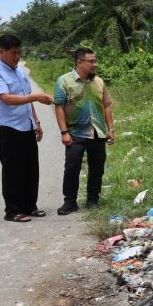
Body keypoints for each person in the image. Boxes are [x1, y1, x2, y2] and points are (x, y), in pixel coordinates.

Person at [0, 34, 53, 222]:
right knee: (13, 171)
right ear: (1, 51)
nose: (17, 56)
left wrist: (36, 122)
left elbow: (26, 98)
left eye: (19, 52)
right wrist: (37, 97)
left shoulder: (20, 71)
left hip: (26, 125)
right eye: (13, 53)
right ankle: (13, 210)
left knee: (31, 168)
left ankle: (30, 206)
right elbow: (6, 98)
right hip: (7, 128)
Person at [53, 47, 114, 214]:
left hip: (97, 132)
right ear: (79, 62)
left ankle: (93, 200)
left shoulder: (99, 82)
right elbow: (59, 107)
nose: (95, 64)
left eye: (95, 61)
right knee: (72, 167)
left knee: (97, 168)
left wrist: (110, 129)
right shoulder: (64, 81)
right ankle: (70, 202)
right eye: (91, 61)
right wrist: (64, 132)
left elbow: (107, 106)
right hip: (75, 133)